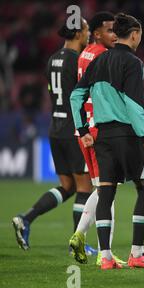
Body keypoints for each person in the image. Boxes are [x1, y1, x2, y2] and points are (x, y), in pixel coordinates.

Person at [70, 13, 144, 270]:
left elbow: (76, 96)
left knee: (106, 191)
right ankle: (137, 253)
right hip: (129, 135)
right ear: (134, 33)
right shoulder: (133, 62)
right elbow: (134, 104)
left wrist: (82, 128)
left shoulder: (99, 61)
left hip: (103, 136)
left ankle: (107, 257)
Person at [12, 17, 93, 251]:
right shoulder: (77, 61)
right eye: (86, 30)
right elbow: (80, 97)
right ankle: (78, 244)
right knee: (84, 187)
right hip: (73, 128)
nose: (88, 35)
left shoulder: (52, 60)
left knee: (67, 187)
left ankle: (26, 218)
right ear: (78, 33)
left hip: (55, 127)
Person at [68, 11, 126, 266]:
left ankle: (95, 245)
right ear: (96, 33)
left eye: (116, 30)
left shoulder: (85, 54)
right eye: (110, 30)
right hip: (100, 129)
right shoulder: (105, 56)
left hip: (85, 129)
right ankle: (95, 246)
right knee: (107, 189)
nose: (114, 35)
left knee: (102, 188)